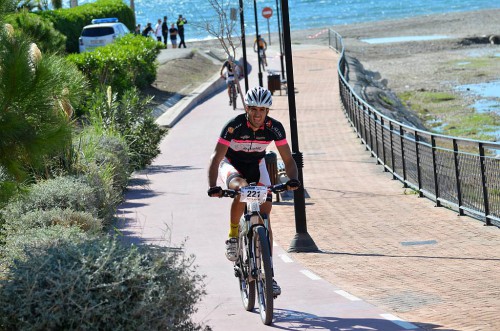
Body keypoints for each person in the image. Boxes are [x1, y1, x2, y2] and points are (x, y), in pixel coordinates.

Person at [207, 86, 301, 296]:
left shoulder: (274, 128)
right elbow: (215, 158)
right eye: (254, 109)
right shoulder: (234, 126)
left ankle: (269, 275)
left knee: (265, 212)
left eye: (262, 110)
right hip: (230, 163)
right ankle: (233, 235)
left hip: (256, 164)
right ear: (247, 108)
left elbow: (288, 159)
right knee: (242, 189)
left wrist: (293, 180)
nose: (258, 114)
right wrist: (213, 185)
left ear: (267, 111)